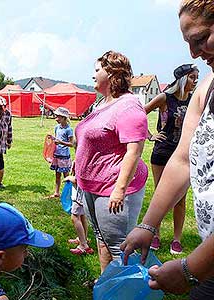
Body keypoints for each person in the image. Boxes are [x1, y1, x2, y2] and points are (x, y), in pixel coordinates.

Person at [121, 1, 214, 297]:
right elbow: (184, 160)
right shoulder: (209, 86)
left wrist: (191, 269)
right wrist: (148, 225)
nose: (194, 54)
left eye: (200, 39)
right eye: (189, 43)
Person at [74, 50, 148, 273]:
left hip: (112, 188)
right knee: (101, 238)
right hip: (91, 186)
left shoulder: (128, 105)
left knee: (120, 246)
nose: (93, 75)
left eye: (97, 70)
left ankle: (130, 291)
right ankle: (107, 285)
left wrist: (119, 190)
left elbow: (134, 151)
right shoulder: (102, 104)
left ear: (112, 72)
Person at [145, 64, 199, 254]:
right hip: (162, 152)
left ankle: (176, 239)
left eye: (196, 78)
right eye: (193, 77)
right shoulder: (164, 98)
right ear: (183, 79)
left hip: (183, 155)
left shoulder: (194, 101)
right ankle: (155, 235)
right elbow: (139, 115)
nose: (195, 81)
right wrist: (150, 135)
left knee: (180, 198)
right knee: (159, 195)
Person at [47, 107, 74, 198]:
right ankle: (56, 192)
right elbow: (57, 139)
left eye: (58, 117)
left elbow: (71, 144)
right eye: (56, 116)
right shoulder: (56, 128)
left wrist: (61, 142)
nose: (56, 119)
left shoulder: (68, 130)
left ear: (64, 118)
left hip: (64, 156)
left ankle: (69, 193)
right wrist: (53, 139)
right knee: (57, 175)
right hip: (57, 155)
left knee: (66, 176)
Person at [64, 174, 94, 256]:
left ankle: (83, 245)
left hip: (79, 195)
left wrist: (69, 178)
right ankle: (82, 238)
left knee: (75, 217)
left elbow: (78, 180)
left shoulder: (83, 161)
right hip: (84, 193)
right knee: (82, 216)